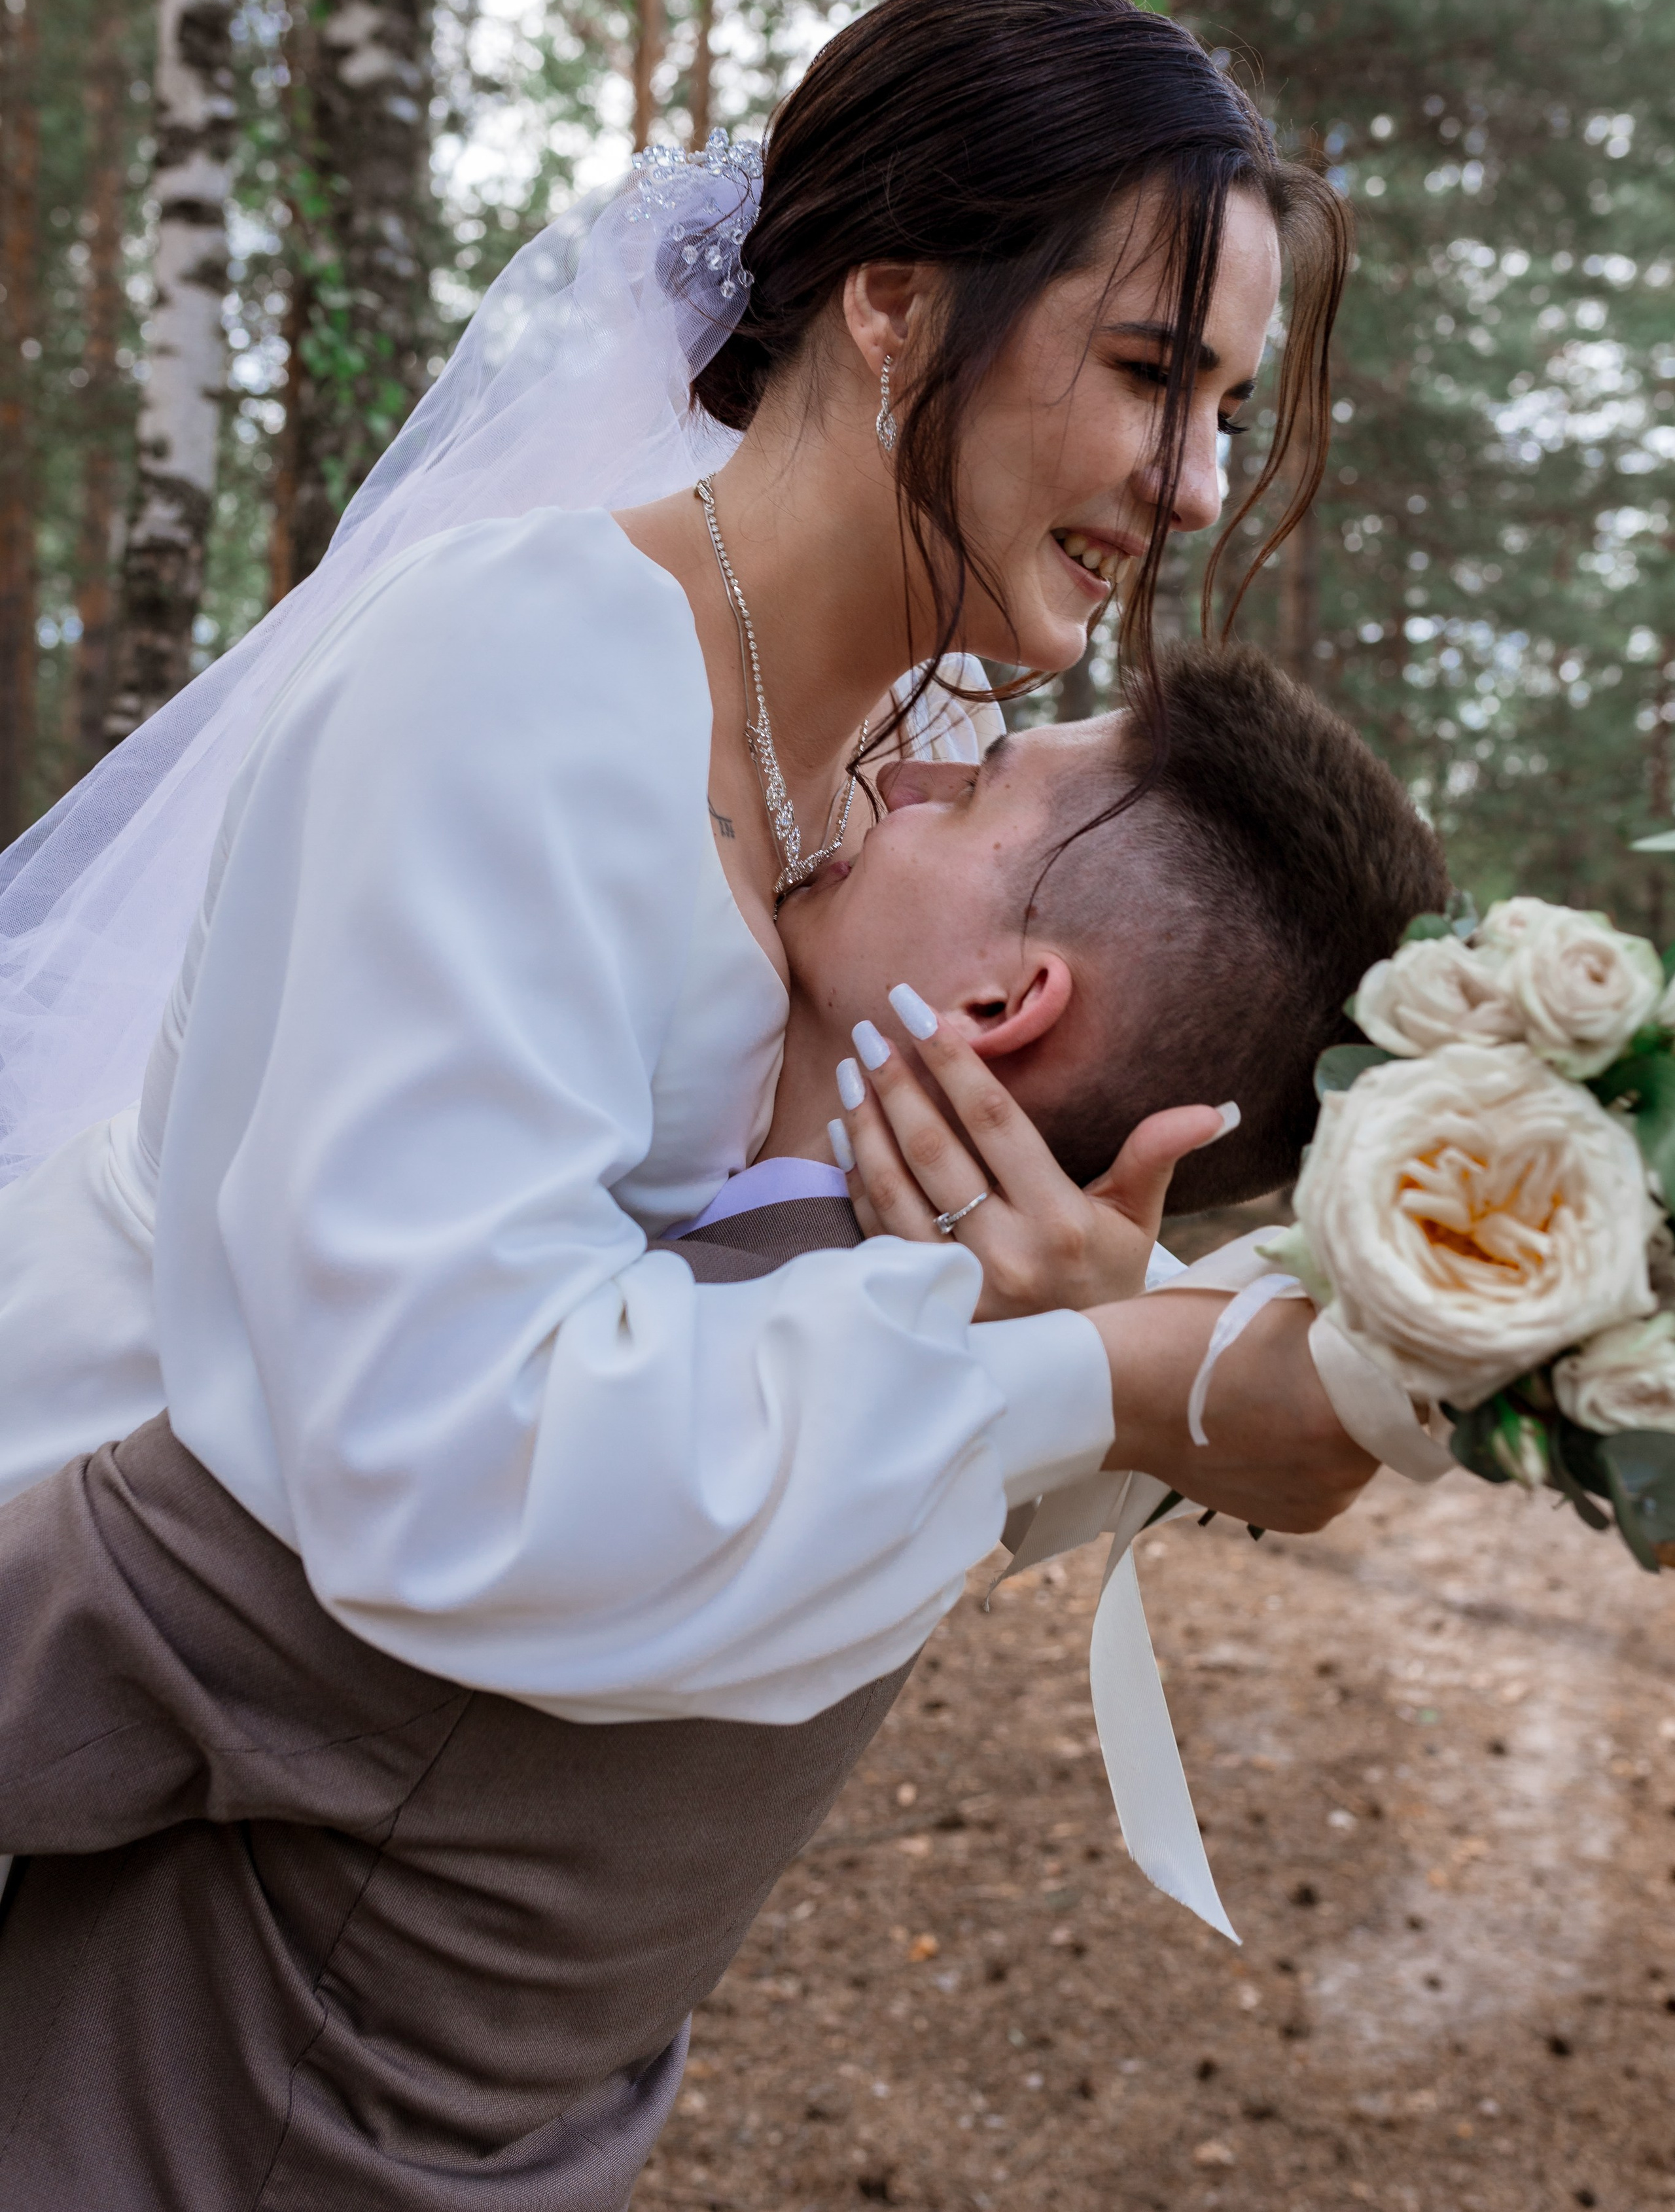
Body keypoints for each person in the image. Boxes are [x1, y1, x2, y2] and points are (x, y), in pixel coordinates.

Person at [0, 646, 1445, 2202]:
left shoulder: (620, 1431)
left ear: (1004, 1000)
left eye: (974, 789)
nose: (903, 771)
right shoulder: (934, 1367)